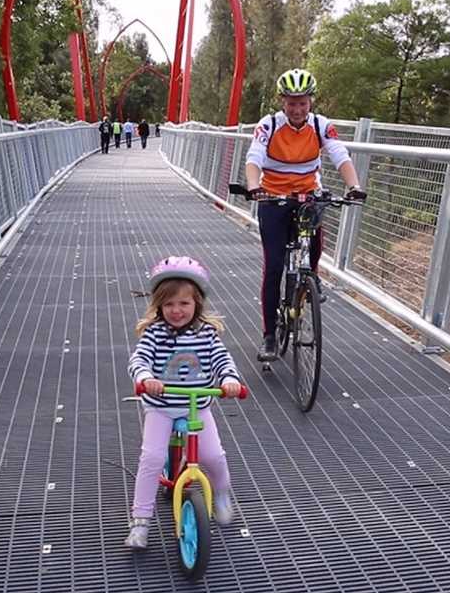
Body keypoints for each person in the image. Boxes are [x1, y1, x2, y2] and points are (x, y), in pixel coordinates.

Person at [245, 68, 367, 362]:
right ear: (282, 101)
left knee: (313, 238)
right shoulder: (269, 124)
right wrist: (253, 186)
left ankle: (310, 277)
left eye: (302, 102)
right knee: (273, 266)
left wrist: (354, 186)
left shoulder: (321, 125)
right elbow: (254, 158)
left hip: (308, 192)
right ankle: (270, 336)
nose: (297, 109)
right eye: (291, 102)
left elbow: (340, 154)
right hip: (273, 197)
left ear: (311, 101)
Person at [124, 256, 244, 549]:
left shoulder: (206, 333)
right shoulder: (155, 333)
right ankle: (140, 520)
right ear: (159, 307)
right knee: (151, 459)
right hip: (161, 406)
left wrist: (229, 379)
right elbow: (139, 358)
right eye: (169, 305)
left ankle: (222, 492)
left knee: (214, 457)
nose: (176, 311)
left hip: (197, 405)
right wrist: (145, 375)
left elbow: (221, 359)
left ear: (197, 303)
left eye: (184, 304)